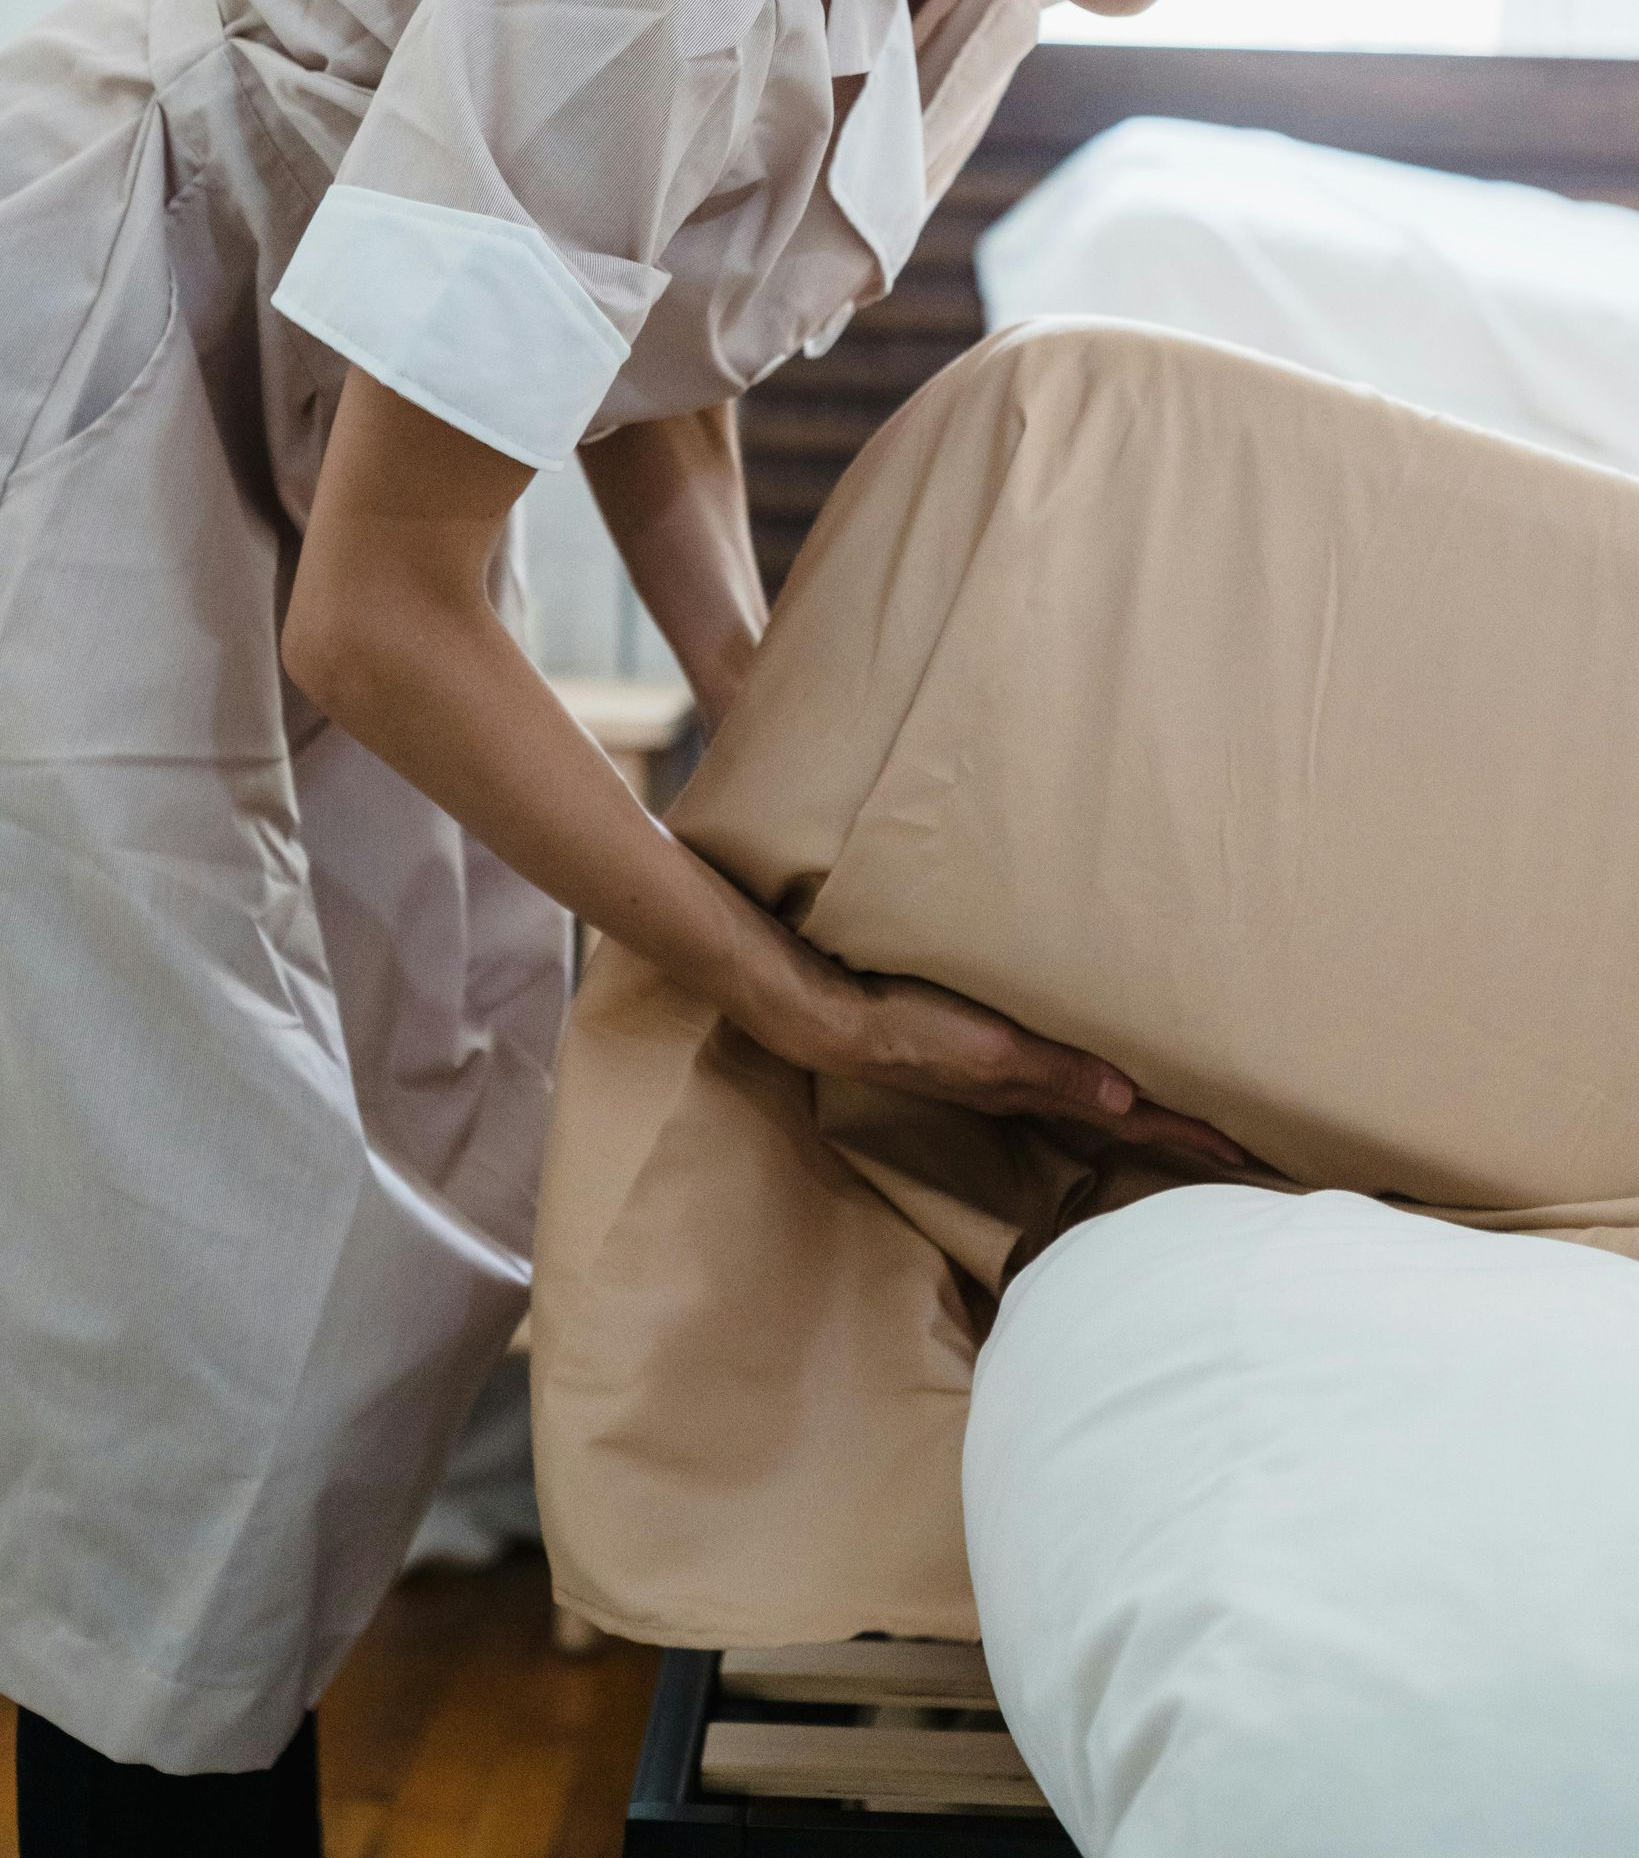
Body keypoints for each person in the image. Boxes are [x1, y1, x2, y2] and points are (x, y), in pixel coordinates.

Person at [0, 0, 1240, 1844]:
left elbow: (640, 319)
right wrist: (807, 1004)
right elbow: (380, 616)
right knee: (197, 1313)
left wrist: (755, 690)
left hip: (315, 437)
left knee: (427, 1099)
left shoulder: (980, 22)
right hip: (84, 353)